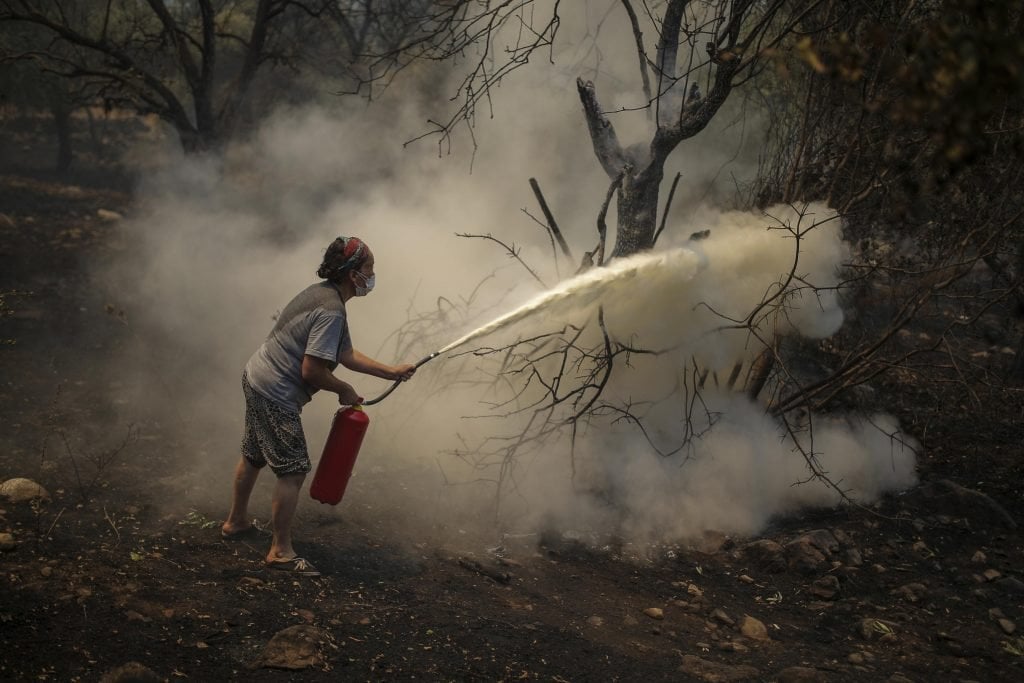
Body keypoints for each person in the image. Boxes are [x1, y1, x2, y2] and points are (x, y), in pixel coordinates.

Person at [221, 236, 415, 576]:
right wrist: (343, 389)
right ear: (353, 274)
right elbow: (311, 370)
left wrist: (391, 371)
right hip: (275, 392)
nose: (372, 275)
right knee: (293, 470)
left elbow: (344, 354)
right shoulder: (331, 311)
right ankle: (280, 551)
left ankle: (236, 522)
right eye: (369, 268)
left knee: (253, 454)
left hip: (255, 375)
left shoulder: (323, 294)